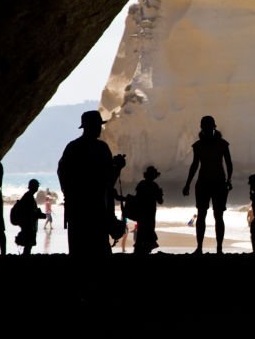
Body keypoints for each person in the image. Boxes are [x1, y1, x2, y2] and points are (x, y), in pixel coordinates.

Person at [57, 110, 119, 257]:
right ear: (94, 127)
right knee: (99, 250)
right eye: (98, 126)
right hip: (97, 209)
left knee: (78, 250)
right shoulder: (102, 148)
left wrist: (70, 195)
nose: (100, 129)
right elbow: (108, 181)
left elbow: (62, 174)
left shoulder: (72, 147)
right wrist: (118, 168)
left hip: (76, 209)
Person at [182, 116, 233, 254]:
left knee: (216, 216)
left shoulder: (221, 144)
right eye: (205, 127)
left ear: (213, 127)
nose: (207, 129)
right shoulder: (201, 145)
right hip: (207, 183)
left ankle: (218, 248)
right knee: (204, 215)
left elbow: (229, 163)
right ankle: (201, 247)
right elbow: (194, 165)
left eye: (208, 126)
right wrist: (187, 184)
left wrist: (229, 180)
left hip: (215, 183)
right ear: (203, 128)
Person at [128, 166, 164, 255]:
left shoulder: (141, 184)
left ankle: (139, 251)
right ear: (154, 176)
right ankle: (145, 251)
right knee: (149, 231)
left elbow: (137, 198)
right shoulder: (155, 186)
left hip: (141, 213)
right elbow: (160, 201)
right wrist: (160, 193)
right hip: (150, 213)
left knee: (141, 232)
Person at [14, 179, 47, 255]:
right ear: (34, 187)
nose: (38, 188)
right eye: (37, 186)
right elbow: (30, 213)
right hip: (29, 225)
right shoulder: (29, 197)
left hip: (27, 225)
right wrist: (40, 215)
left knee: (28, 245)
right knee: (28, 245)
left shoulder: (28, 196)